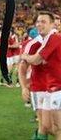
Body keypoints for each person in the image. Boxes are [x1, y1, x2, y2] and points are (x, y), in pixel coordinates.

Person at [22, 11, 60, 139]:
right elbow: (23, 67)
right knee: (46, 126)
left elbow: (36, 60)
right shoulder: (40, 42)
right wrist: (24, 87)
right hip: (45, 88)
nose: (39, 24)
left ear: (52, 24)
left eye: (43, 22)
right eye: (38, 22)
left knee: (54, 128)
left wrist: (25, 56)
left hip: (56, 88)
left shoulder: (53, 38)